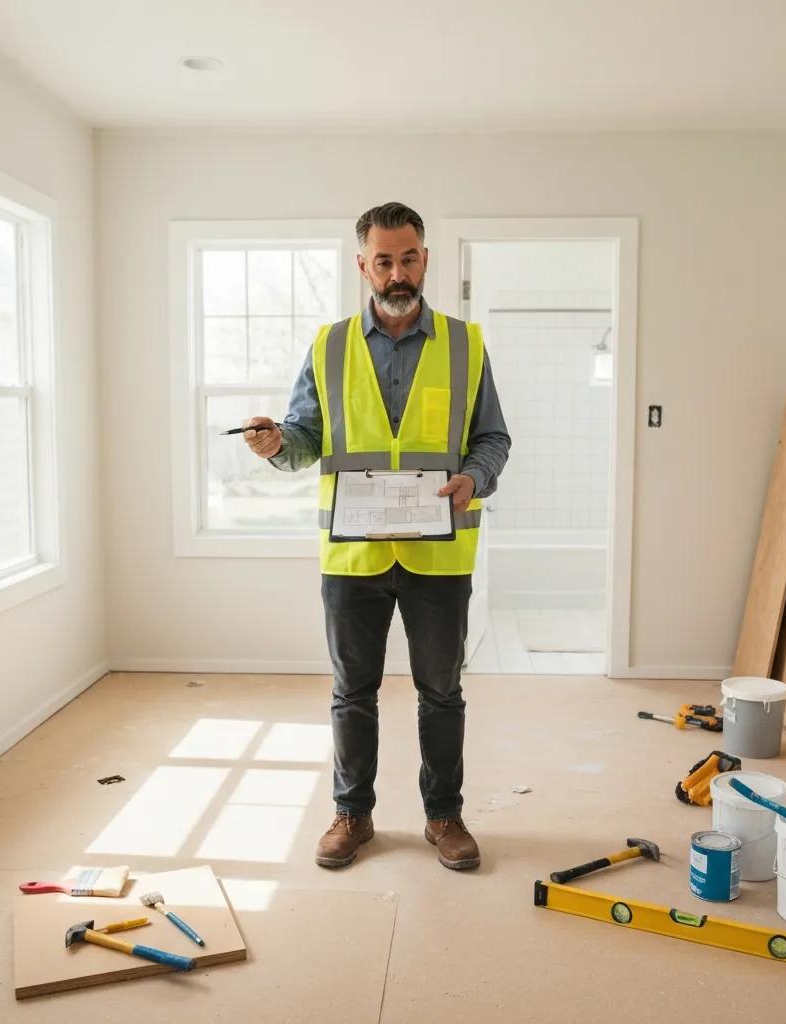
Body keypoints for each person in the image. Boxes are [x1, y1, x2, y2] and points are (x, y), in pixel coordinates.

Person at [244, 202, 510, 871]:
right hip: (353, 554)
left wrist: (474, 478)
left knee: (441, 693)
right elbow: (305, 438)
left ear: (426, 257)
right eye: (384, 261)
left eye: (410, 257)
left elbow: (492, 438)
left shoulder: (465, 343)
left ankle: (444, 816)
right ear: (363, 264)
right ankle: (351, 815)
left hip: (439, 553)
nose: (398, 273)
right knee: (351, 692)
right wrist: (278, 443)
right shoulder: (328, 347)